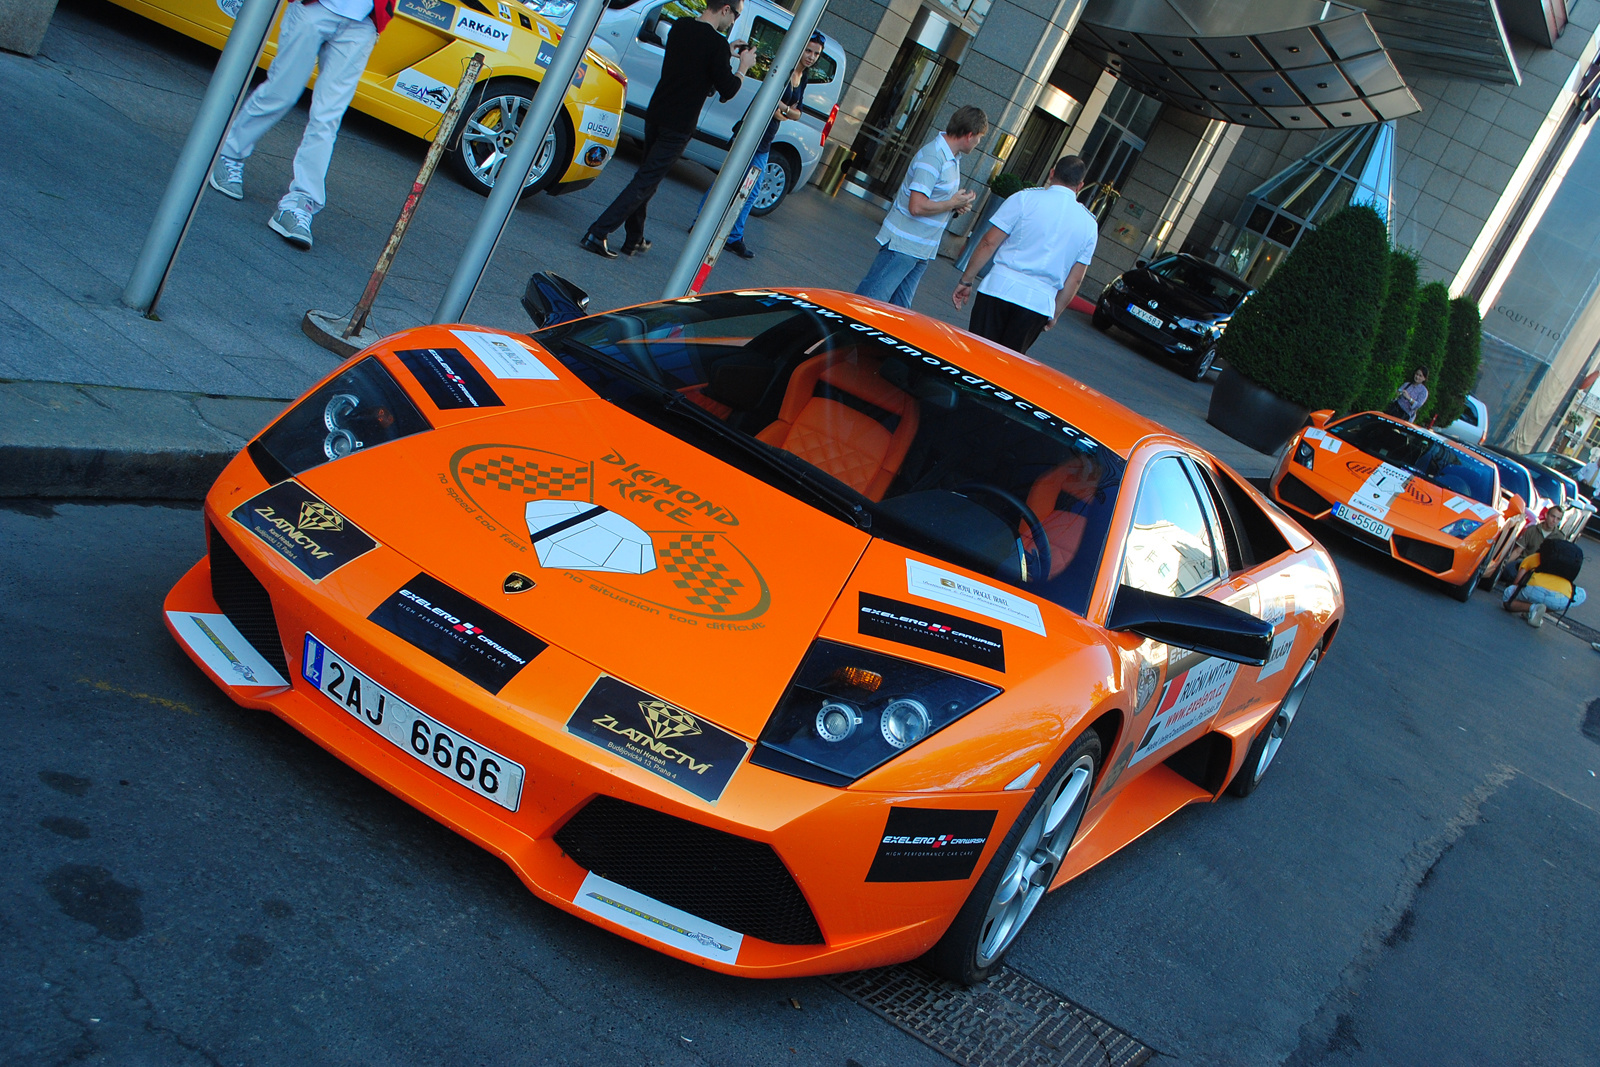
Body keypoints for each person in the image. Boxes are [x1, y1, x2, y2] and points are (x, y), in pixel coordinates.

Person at [207, 0, 393, 250]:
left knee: (327, 117)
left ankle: (301, 203)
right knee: (281, 93)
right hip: (314, 8)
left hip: (362, 22)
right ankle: (228, 153)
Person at [581, 0, 755, 258]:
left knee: (647, 177)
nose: (734, 21)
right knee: (645, 181)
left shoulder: (681, 27)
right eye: (736, 14)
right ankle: (598, 232)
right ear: (726, 9)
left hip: (657, 113)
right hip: (679, 125)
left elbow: (695, 62)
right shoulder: (716, 45)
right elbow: (727, 89)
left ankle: (634, 238)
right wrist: (742, 67)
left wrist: (725, 52)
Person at [691, 32, 824, 259]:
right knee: (727, 181)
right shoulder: (784, 70)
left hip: (767, 138)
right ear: (801, 48)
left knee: (752, 191)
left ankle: (732, 236)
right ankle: (701, 225)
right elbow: (773, 106)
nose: (811, 57)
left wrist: (786, 110)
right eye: (808, 50)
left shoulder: (804, 77)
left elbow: (797, 114)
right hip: (752, 133)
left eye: (816, 54)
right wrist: (786, 111)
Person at [950, 155, 1097, 354]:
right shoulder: (1088, 224)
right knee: (1008, 365)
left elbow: (989, 242)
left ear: (1052, 173)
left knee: (976, 355)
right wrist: (1056, 311)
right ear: (1080, 185)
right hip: (1039, 302)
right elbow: (1076, 278)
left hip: (1000, 287)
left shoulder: (1024, 198)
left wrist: (966, 280)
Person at [853, 105, 988, 308]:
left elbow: (934, 198)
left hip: (921, 248)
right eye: (979, 137)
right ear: (969, 135)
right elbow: (916, 206)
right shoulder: (933, 157)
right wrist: (952, 202)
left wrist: (955, 206)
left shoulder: (951, 159)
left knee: (897, 313)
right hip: (903, 246)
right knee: (867, 304)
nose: (979, 143)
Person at [1502, 536, 1585, 627]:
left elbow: (1516, 583)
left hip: (1534, 590)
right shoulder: (1568, 564)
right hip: (1560, 597)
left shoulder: (1534, 557)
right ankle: (1537, 611)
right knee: (1582, 593)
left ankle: (1532, 608)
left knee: (1508, 595)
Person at [1498, 503, 1565, 585]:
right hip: (1524, 564)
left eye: (1558, 519)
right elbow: (1518, 551)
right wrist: (1503, 565)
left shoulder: (1560, 537)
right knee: (1508, 571)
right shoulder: (1532, 530)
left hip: (1542, 570)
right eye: (1553, 516)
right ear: (1546, 515)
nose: (1554, 521)